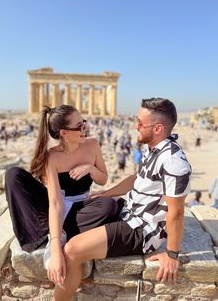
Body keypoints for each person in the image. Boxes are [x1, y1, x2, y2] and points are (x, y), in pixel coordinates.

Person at [52, 97, 191, 301]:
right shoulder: (152, 148)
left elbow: (177, 211)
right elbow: (137, 178)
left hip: (140, 230)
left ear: (158, 128)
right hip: (127, 210)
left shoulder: (174, 162)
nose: (136, 126)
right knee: (76, 215)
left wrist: (171, 255)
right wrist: (106, 193)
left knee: (72, 249)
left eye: (141, 123)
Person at [5, 105, 119, 272]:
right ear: (64, 133)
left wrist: (90, 168)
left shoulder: (92, 145)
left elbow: (103, 180)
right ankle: (55, 233)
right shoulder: (52, 157)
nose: (84, 129)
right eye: (79, 126)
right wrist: (56, 250)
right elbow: (56, 203)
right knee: (13, 175)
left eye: (84, 123)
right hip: (56, 204)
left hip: (80, 206)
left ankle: (55, 230)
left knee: (109, 205)